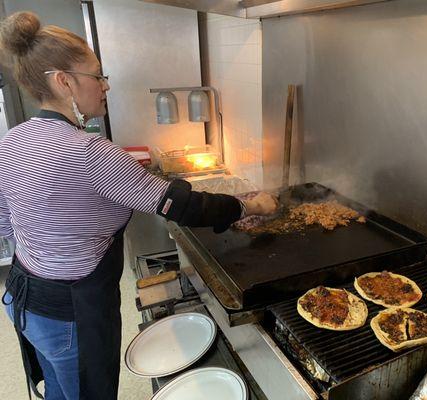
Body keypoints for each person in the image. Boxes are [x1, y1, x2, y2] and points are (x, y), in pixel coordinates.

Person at [0, 11, 277, 400]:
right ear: (64, 82)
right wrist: (250, 206)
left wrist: (50, 245)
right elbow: (182, 207)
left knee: (61, 393)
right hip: (73, 312)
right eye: (97, 76)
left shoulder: (14, 140)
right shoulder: (88, 153)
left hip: (25, 297)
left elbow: (4, 222)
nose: (106, 85)